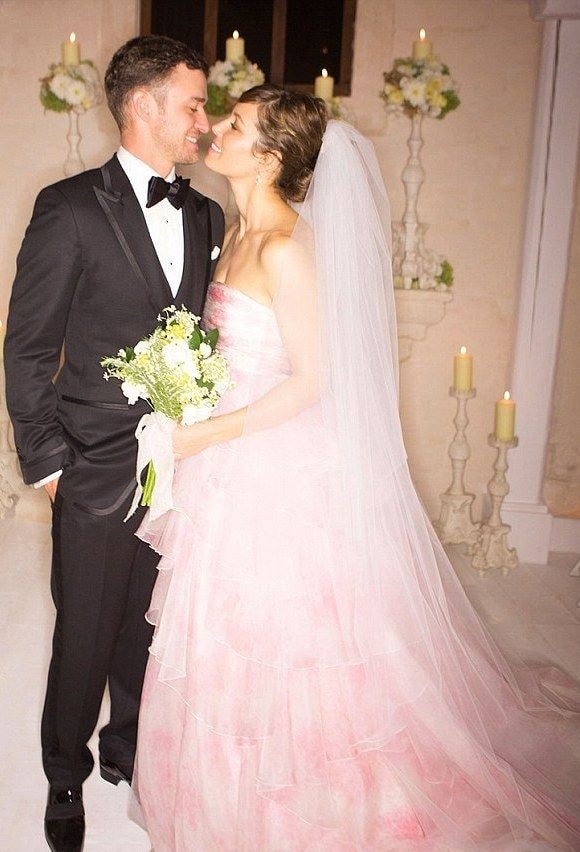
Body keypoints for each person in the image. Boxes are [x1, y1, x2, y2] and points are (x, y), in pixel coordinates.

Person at [132, 85, 580, 850]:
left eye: (234, 126)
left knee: (287, 641)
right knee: (215, 634)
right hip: (223, 461)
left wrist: (211, 433)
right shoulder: (236, 230)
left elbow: (313, 383)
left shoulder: (285, 248)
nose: (217, 132)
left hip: (273, 471)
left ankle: (309, 804)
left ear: (269, 155)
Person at [3, 35, 224, 852]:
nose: (205, 120)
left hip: (182, 466)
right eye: (193, 103)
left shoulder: (206, 215)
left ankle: (130, 746)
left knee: (152, 623)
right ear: (144, 106)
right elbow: (27, 349)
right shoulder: (67, 208)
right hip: (90, 466)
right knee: (85, 628)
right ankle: (64, 772)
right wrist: (52, 465)